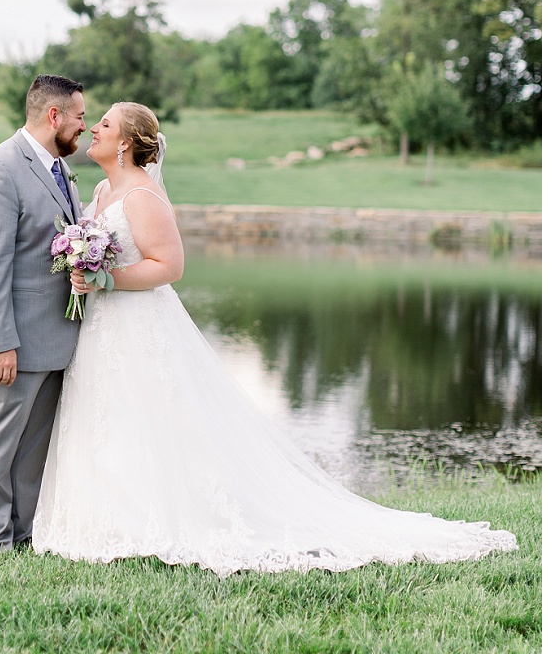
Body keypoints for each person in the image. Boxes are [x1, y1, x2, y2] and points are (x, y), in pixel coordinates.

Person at [30, 102, 517, 573]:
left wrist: (106, 280)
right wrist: (83, 271)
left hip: (139, 323)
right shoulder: (99, 191)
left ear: (127, 144)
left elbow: (169, 267)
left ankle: (159, 521)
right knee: (110, 415)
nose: (94, 127)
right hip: (102, 326)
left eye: (106, 123)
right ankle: (111, 522)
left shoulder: (141, 197)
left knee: (152, 417)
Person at [0, 74, 85, 551]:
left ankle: (24, 537)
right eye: (80, 117)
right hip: (11, 341)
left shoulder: (59, 171)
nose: (83, 127)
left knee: (32, 452)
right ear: (54, 116)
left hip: (55, 338)